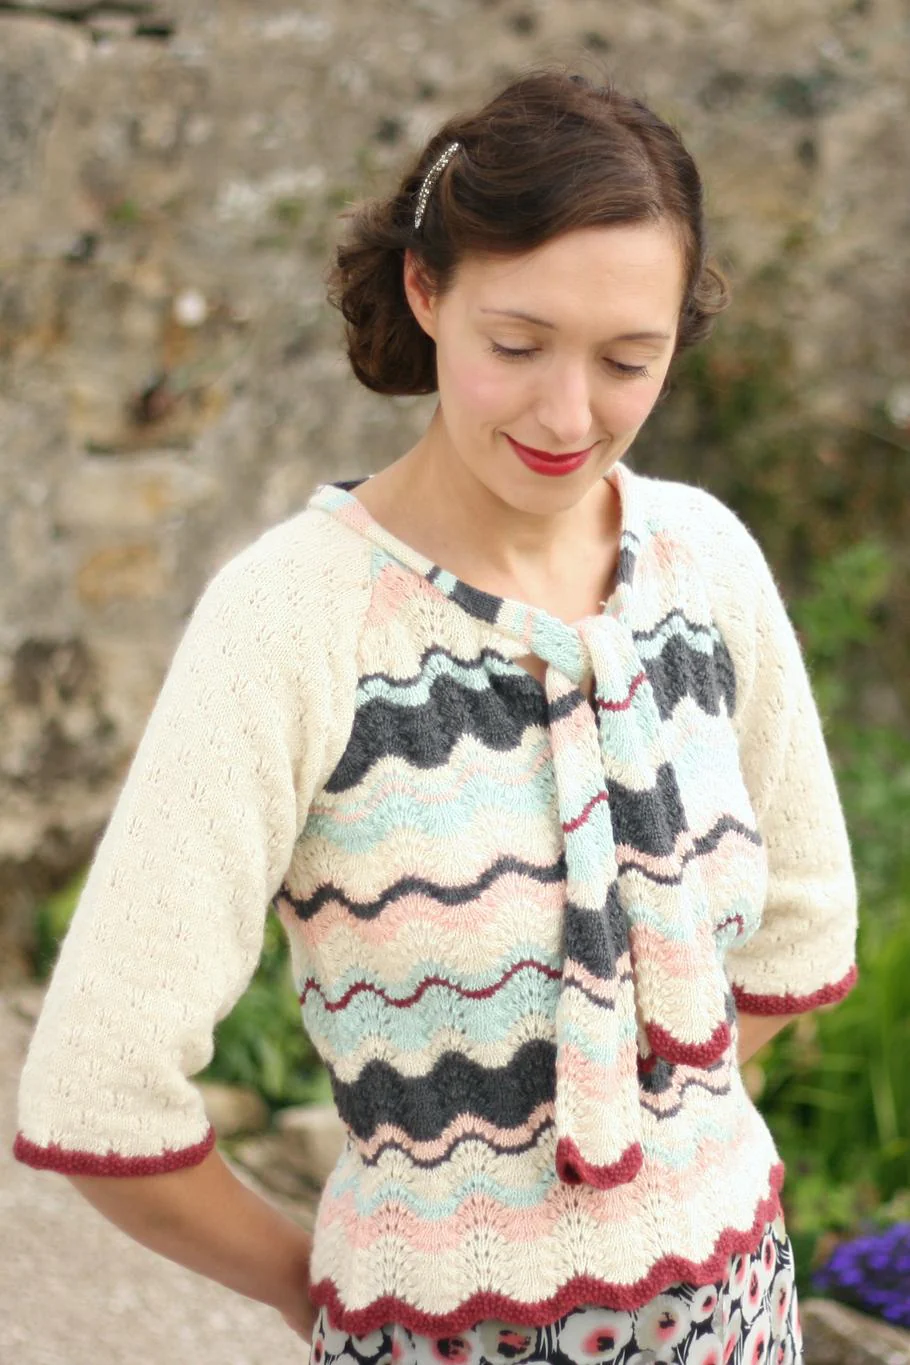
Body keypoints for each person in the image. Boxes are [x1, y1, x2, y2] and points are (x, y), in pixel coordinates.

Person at [15, 69, 858, 1365]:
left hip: (739, 1320)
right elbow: (99, 1092)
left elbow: (802, 924)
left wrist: (635, 1112)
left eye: (627, 361)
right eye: (515, 347)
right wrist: (331, 1291)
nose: (568, 415)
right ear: (425, 291)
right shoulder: (292, 622)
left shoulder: (705, 564)